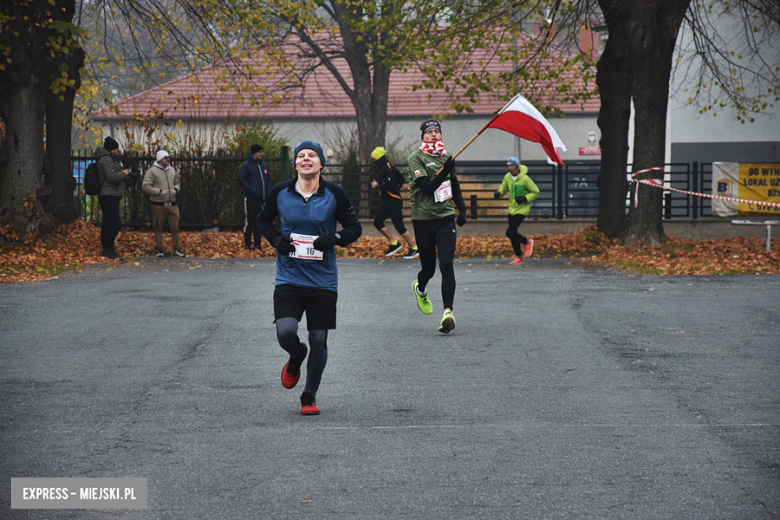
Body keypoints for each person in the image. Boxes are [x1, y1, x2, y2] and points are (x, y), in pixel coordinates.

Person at [257, 140, 362, 416]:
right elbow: (262, 221)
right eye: (301, 155)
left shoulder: (334, 194)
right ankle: (295, 355)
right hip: (289, 277)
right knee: (286, 332)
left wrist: (333, 238)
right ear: (295, 163)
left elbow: (354, 228)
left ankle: (309, 395)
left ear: (320, 164)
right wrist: (276, 240)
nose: (306, 159)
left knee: (318, 339)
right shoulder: (280, 192)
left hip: (323, 281)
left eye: (311, 155)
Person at [407, 119, 467, 334]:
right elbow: (427, 188)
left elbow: (454, 185)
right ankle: (420, 288)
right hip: (423, 220)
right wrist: (445, 170)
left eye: (436, 131)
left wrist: (462, 209)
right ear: (422, 136)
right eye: (429, 131)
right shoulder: (415, 159)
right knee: (429, 270)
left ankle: (448, 313)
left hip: (445, 218)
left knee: (447, 264)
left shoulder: (447, 157)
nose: (433, 134)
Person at [370, 146, 418, 259]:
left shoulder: (386, 169)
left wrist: (377, 186)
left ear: (379, 159)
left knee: (400, 227)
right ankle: (394, 243)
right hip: (389, 202)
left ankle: (414, 248)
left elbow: (389, 184)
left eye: (374, 160)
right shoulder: (388, 166)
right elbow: (401, 179)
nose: (373, 162)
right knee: (378, 222)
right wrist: (395, 190)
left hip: (393, 202)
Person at [494, 156, 539, 265]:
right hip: (512, 209)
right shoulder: (507, 177)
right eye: (508, 165)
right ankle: (519, 257)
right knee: (512, 234)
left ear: (517, 166)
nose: (510, 168)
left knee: (510, 232)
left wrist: (525, 198)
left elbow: (535, 192)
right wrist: (499, 193)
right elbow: (504, 188)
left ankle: (527, 242)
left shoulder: (525, 179)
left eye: (512, 165)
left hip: (522, 209)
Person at [142, 150, 186, 258]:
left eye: (168, 157)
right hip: (158, 204)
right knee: (158, 227)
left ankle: (177, 249)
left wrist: (176, 189)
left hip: (172, 203)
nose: (168, 159)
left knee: (175, 227)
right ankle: (160, 249)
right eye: (165, 157)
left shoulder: (172, 170)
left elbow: (177, 182)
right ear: (160, 159)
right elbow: (146, 186)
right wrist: (159, 192)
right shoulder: (152, 171)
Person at [95, 136, 130, 259]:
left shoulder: (108, 159)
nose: (118, 151)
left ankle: (107, 247)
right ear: (112, 149)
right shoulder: (106, 160)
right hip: (109, 194)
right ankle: (108, 248)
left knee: (108, 222)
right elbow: (111, 177)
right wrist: (124, 174)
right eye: (116, 148)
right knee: (113, 223)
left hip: (111, 194)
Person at [237, 144, 273, 250]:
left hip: (262, 199)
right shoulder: (246, 165)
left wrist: (268, 190)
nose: (262, 154)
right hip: (251, 199)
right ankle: (248, 244)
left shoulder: (264, 166)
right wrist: (251, 190)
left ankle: (258, 244)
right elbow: (241, 179)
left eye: (262, 152)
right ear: (254, 153)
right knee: (250, 222)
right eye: (260, 152)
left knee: (259, 222)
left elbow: (268, 180)